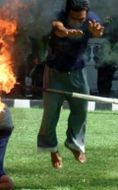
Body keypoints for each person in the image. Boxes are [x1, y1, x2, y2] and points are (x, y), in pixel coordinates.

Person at [37, 0, 104, 169]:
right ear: (67, 13)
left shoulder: (92, 19)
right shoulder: (59, 17)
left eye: (81, 19)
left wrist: (97, 33)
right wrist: (67, 31)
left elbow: (97, 33)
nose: (79, 22)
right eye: (75, 18)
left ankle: (74, 144)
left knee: (81, 110)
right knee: (50, 115)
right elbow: (57, 28)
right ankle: (53, 149)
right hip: (54, 73)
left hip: (77, 74)